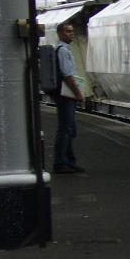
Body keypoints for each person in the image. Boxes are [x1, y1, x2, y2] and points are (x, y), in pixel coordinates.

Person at [53, 22, 85, 173]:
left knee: (69, 128)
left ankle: (68, 161)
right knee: (66, 128)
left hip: (65, 94)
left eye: (72, 31)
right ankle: (61, 162)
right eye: (67, 31)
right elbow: (67, 75)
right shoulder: (63, 51)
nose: (71, 34)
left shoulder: (64, 49)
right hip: (66, 95)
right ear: (60, 33)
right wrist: (78, 93)